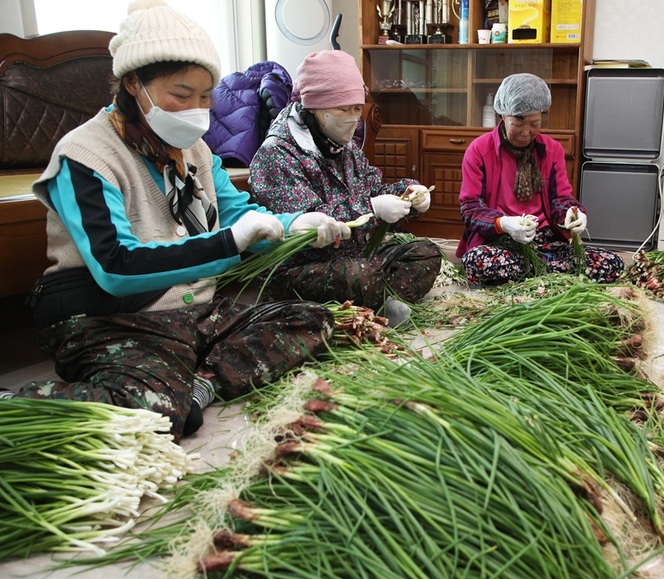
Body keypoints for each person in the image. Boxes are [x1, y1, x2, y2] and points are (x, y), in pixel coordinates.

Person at [0, 0, 349, 441]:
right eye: (181, 95)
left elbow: (239, 217)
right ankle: (19, 403)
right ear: (134, 84)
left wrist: (292, 224)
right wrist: (227, 244)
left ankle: (197, 384)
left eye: (205, 98)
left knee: (310, 320)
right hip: (108, 317)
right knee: (156, 408)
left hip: (190, 312)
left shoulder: (196, 152)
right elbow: (115, 266)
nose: (196, 111)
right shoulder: (83, 155)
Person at [249, 50, 443, 326]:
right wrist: (373, 210)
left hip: (357, 256)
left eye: (357, 108)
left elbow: (374, 188)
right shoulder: (277, 155)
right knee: (362, 276)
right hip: (301, 268)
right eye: (343, 109)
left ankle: (373, 304)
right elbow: (311, 223)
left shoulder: (343, 147)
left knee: (426, 252)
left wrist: (409, 193)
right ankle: (373, 304)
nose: (353, 117)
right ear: (315, 107)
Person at [455, 73, 624, 285]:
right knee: (476, 261)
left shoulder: (552, 150)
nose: (526, 132)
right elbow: (470, 210)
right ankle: (551, 274)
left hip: (545, 240)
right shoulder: (479, 150)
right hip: (501, 241)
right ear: (503, 115)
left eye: (534, 123)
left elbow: (560, 200)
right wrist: (504, 223)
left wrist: (574, 215)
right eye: (518, 121)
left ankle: (532, 271)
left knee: (611, 263)